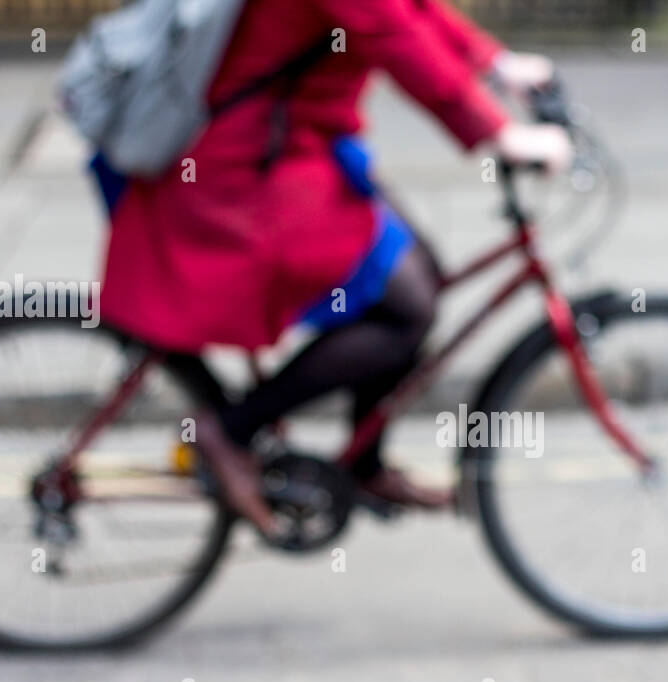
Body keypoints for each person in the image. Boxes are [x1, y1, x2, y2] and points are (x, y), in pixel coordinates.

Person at [98, 0, 571, 538]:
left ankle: (362, 463)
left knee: (422, 277)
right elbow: (392, 34)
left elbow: (409, 9)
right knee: (406, 306)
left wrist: (493, 62)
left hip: (297, 142)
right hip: (246, 167)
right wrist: (498, 132)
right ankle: (231, 431)